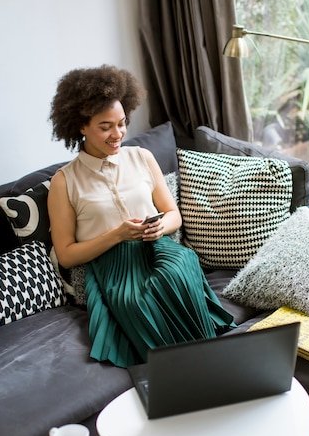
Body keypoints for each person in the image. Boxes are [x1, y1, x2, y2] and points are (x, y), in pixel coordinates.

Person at [48, 65, 235, 368]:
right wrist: (117, 235)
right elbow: (67, 255)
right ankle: (184, 371)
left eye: (122, 123)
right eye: (105, 126)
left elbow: (174, 215)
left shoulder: (141, 157)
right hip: (114, 265)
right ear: (81, 126)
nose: (118, 133)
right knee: (135, 301)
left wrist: (160, 226)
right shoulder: (65, 181)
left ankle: (209, 361)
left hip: (158, 247)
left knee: (178, 270)